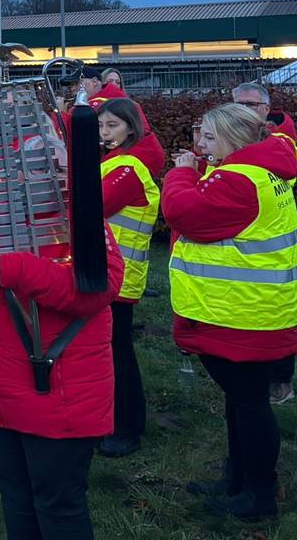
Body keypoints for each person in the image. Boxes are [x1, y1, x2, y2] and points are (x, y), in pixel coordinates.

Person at [164, 104, 297, 520]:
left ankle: (258, 494)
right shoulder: (265, 169)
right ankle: (238, 479)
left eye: (210, 137)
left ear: (235, 139)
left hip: (240, 314)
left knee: (249, 404)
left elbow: (182, 212)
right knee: (242, 400)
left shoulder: (238, 179)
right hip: (255, 309)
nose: (200, 145)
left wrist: (182, 173)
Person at [0, 200, 125, 540]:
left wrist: (20, 270)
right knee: (15, 498)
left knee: (58, 507)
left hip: (59, 395)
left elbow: (100, 287)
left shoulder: (75, 214)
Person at [96, 98, 164, 457]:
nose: (105, 132)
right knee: (107, 349)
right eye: (100, 125)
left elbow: (93, 205)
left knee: (118, 351)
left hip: (118, 275)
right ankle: (111, 419)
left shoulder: (129, 167)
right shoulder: (113, 161)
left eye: (113, 126)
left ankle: (127, 426)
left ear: (131, 129)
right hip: (107, 269)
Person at [231, 82, 297, 404]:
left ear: (266, 110)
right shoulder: (237, 136)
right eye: (238, 104)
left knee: (280, 315)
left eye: (251, 105)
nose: (244, 110)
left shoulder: (281, 141)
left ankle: (281, 380)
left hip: (272, 237)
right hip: (243, 237)